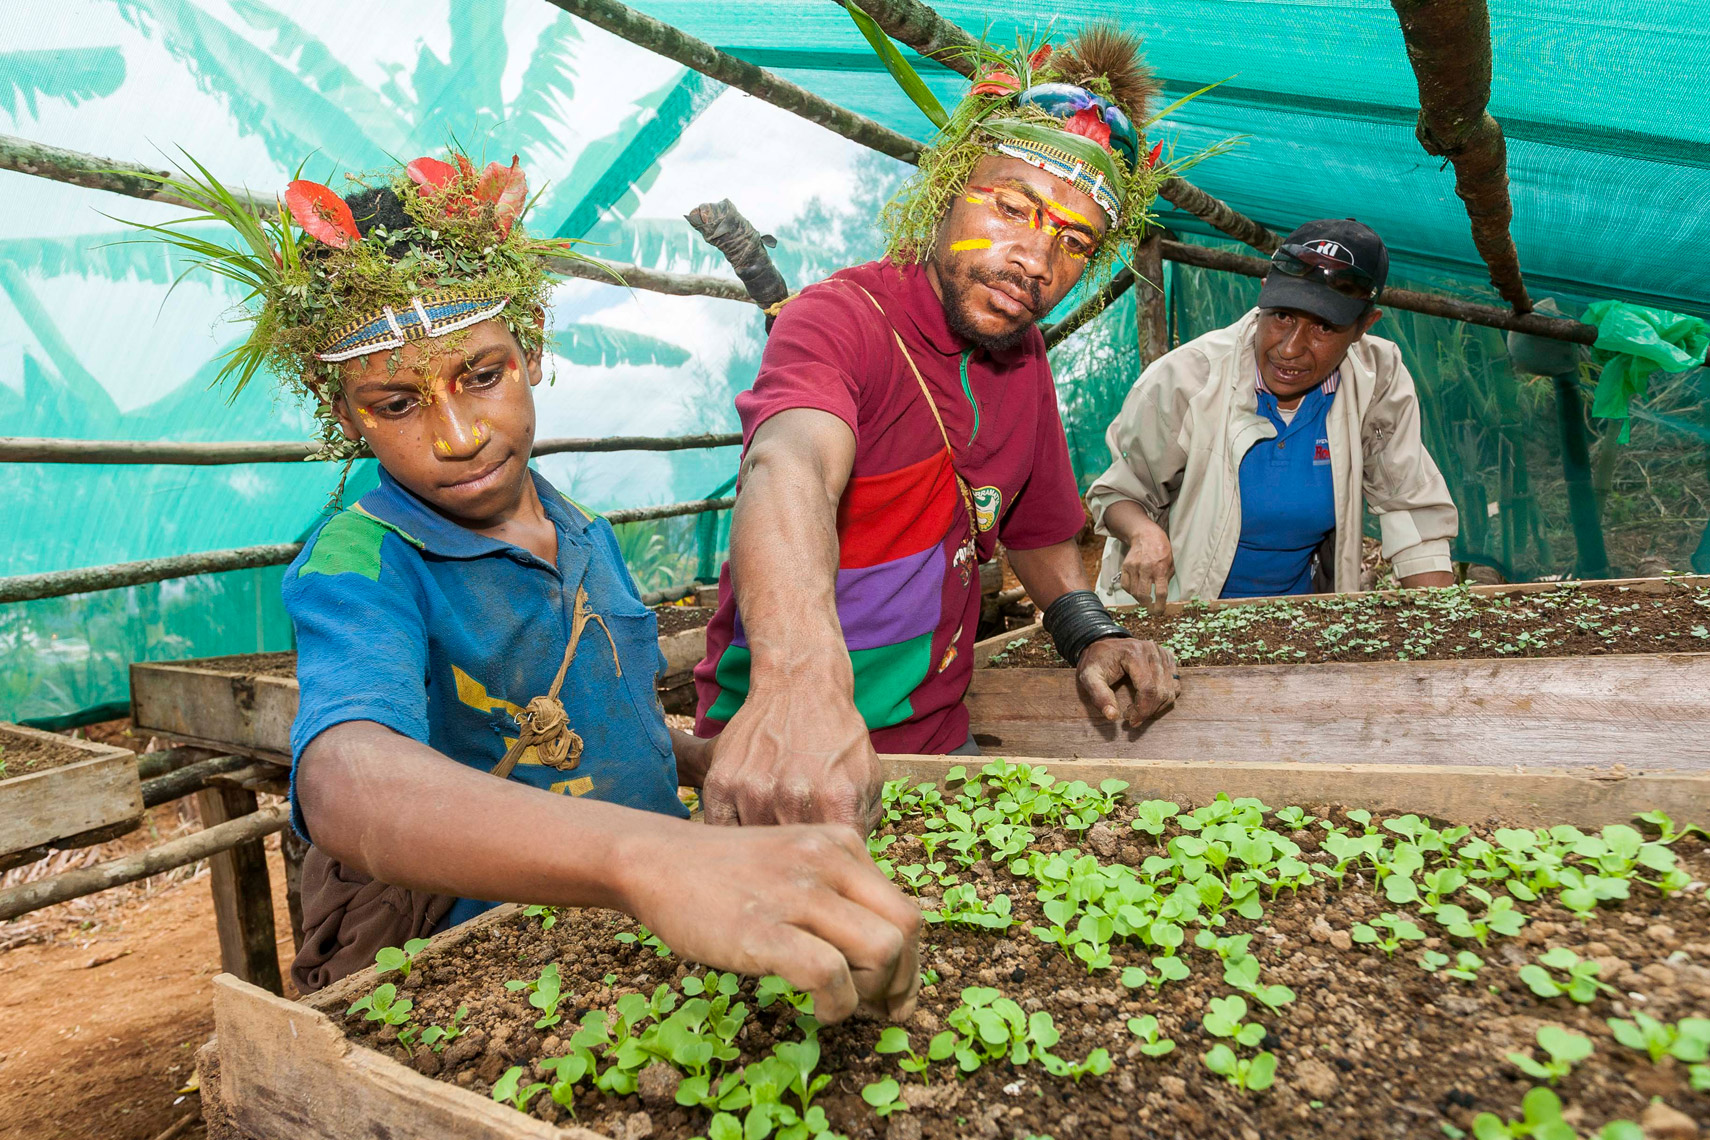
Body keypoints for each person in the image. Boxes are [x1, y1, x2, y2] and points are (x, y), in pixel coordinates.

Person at [135, 150, 919, 1015]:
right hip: (493, 974)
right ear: (342, 413)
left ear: (533, 347)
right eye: (397, 403)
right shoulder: (361, 560)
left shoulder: (581, 527)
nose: (460, 434)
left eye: (482, 375)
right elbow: (345, 774)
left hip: (641, 944)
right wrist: (647, 858)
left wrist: (704, 758)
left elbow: (597, 716)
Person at [693, 27, 1182, 831]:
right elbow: (790, 468)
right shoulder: (842, 321)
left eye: (1073, 242)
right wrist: (795, 687)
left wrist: (1092, 633)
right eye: (1014, 208)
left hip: (933, 751)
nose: (1035, 260)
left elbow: (1034, 530)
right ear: (949, 185)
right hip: (783, 761)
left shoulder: (1020, 358)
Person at [1086, 219, 1459, 608]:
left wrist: (1438, 627)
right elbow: (1120, 491)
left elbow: (1409, 504)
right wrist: (1143, 533)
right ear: (1264, 295)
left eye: (1324, 327)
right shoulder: (1187, 378)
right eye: (1283, 315)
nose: (1290, 349)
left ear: (1364, 326)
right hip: (1174, 608)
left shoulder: (1376, 380)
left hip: (1293, 620)